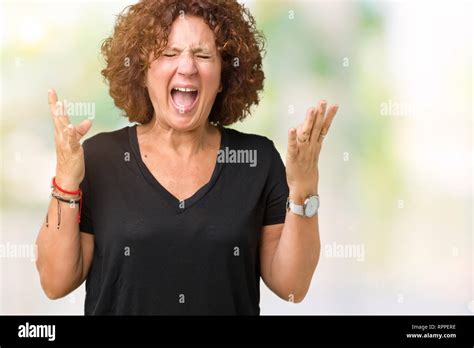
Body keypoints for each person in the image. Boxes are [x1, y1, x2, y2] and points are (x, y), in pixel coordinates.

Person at [35, 0, 338, 315]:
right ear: (142, 71)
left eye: (203, 55)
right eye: (169, 53)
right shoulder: (99, 159)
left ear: (223, 76)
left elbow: (293, 287)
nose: (188, 67)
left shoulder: (256, 161)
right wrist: (67, 180)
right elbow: (55, 283)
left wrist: (304, 188)